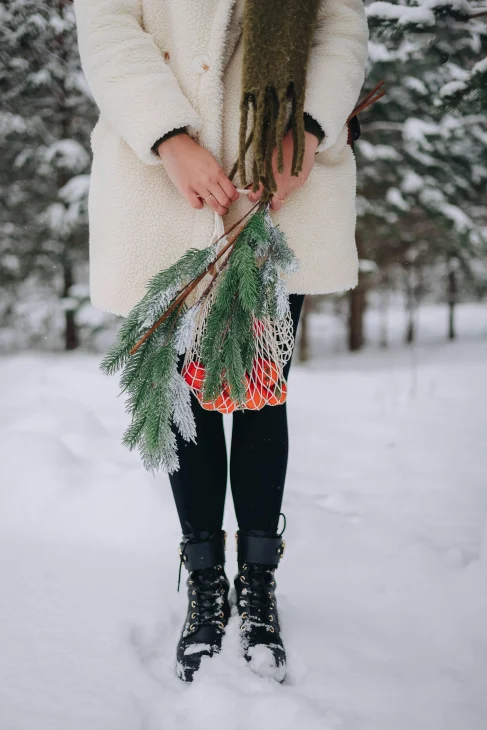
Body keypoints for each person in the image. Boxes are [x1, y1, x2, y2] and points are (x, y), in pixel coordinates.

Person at [74, 0, 368, 683]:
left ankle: (257, 584)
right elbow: (109, 23)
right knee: (183, 397)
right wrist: (167, 136)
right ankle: (205, 581)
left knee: (261, 390)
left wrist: (310, 126)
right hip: (163, 179)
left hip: (278, 177)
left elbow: (338, 23)